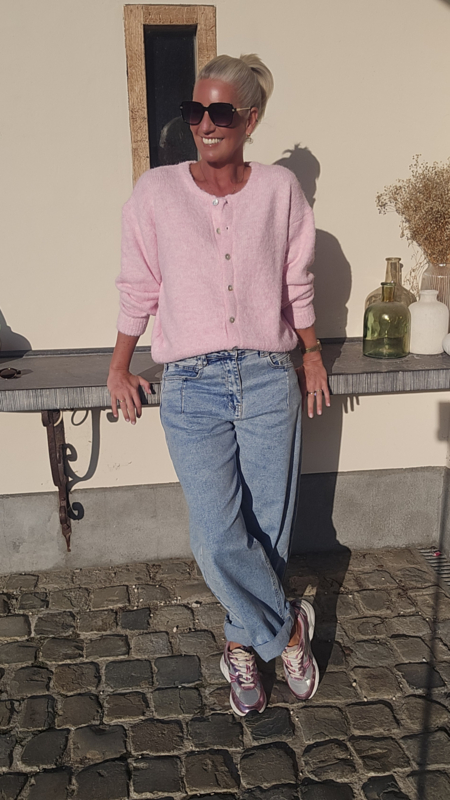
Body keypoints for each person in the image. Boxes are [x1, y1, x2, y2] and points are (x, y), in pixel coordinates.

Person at [107, 53, 330, 716]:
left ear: (250, 119)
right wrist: (119, 363)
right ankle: (287, 632)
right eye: (194, 110)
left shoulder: (280, 190)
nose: (205, 124)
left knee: (268, 529)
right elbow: (139, 284)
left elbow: (295, 282)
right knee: (215, 534)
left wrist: (312, 353)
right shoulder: (156, 192)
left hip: (267, 377)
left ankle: (240, 644)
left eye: (221, 112)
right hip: (191, 385)